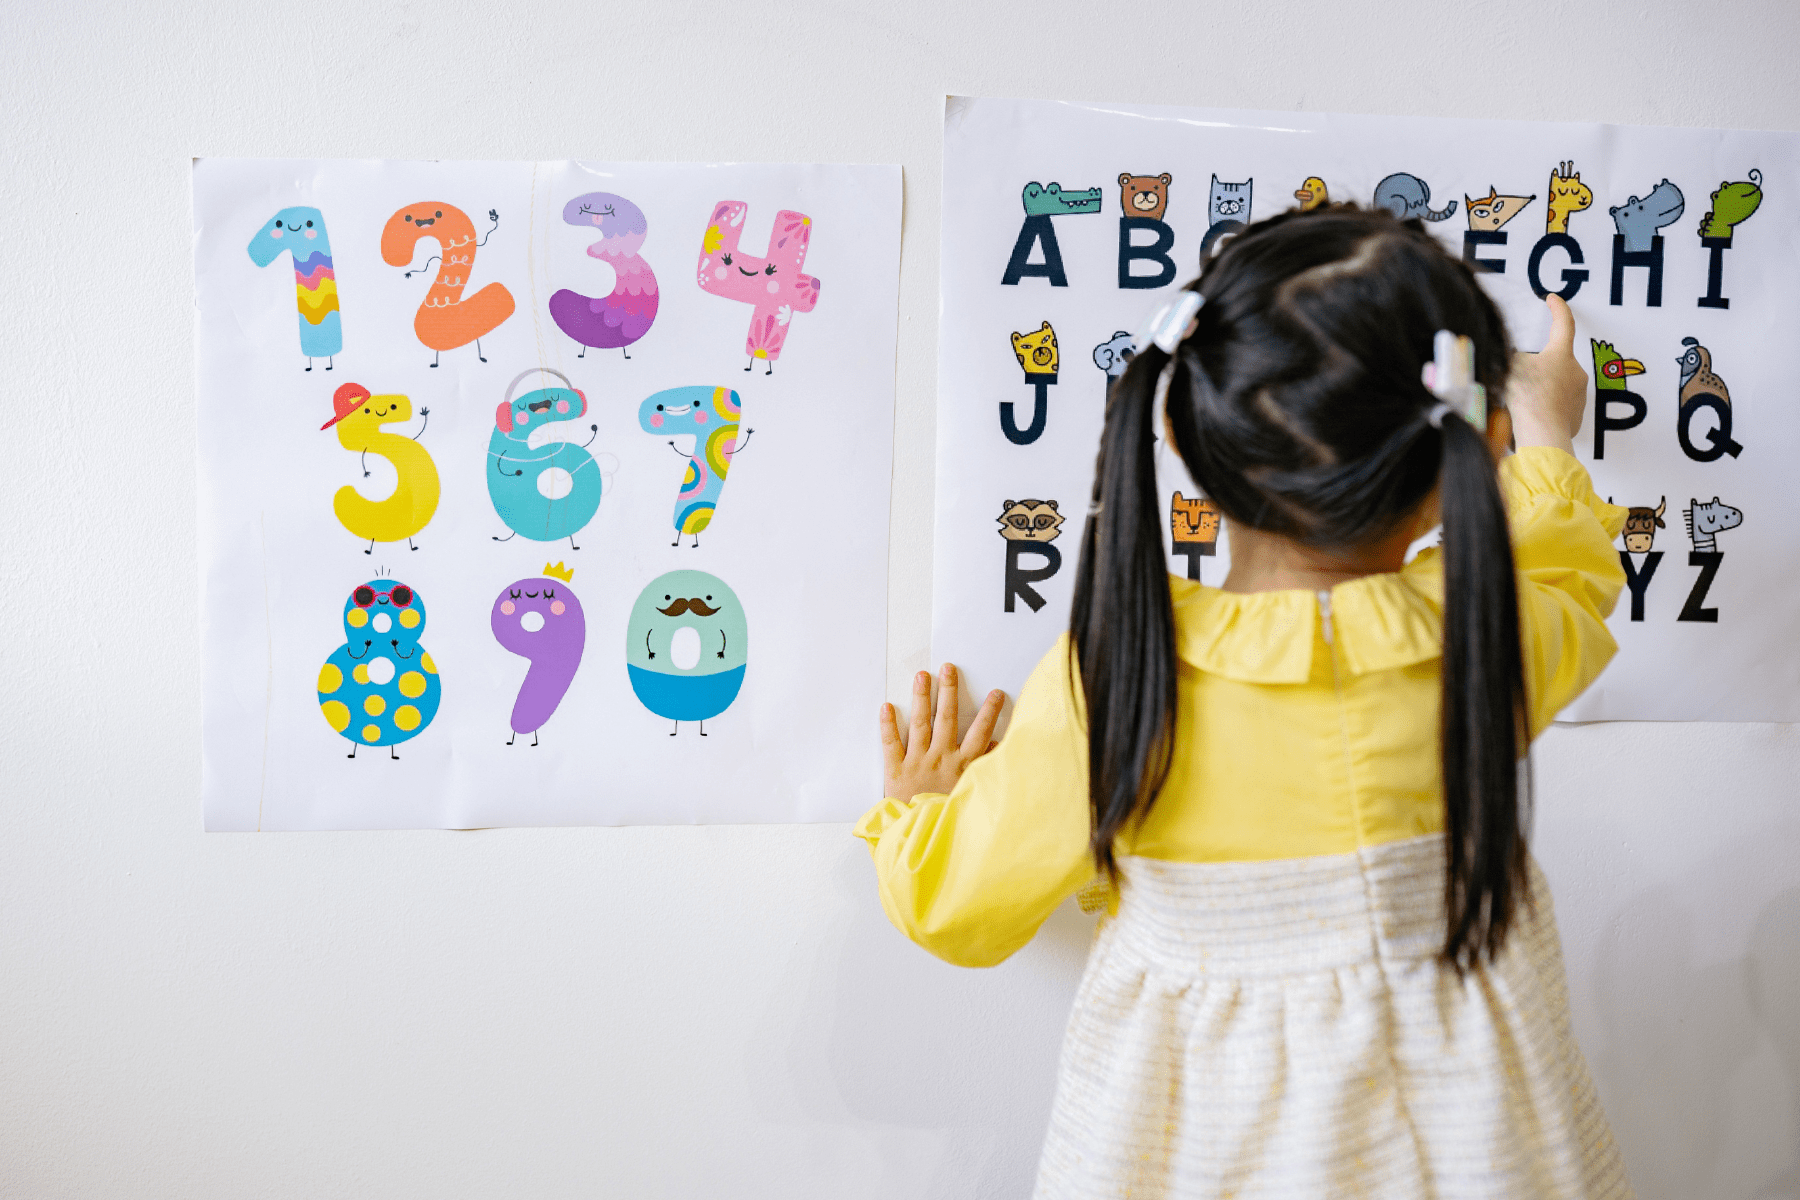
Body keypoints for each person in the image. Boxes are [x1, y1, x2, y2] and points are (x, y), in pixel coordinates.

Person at [857, 206, 1633, 1198]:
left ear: (1178, 431)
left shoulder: (1122, 675)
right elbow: (1567, 571)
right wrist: (1547, 432)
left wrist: (918, 813)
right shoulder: (1488, 631)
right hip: (1480, 1150)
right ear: (1474, 446)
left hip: (1200, 1153)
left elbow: (954, 904)